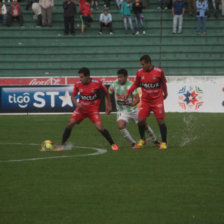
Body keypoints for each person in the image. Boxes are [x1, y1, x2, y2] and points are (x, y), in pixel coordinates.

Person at [56, 67, 119, 151]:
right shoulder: (78, 84)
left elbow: (106, 92)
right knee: (70, 123)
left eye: (82, 77)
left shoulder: (97, 83)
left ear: (88, 76)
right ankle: (63, 145)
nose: (80, 79)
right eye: (80, 77)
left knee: (100, 127)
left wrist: (109, 105)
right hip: (81, 109)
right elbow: (73, 96)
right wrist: (77, 104)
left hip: (93, 110)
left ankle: (113, 144)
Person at [124, 55, 168, 150]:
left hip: (157, 100)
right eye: (141, 64)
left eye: (143, 64)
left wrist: (166, 93)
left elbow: (163, 83)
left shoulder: (159, 71)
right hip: (146, 101)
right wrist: (128, 93)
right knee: (140, 120)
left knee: (160, 120)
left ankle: (164, 142)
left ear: (149, 63)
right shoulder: (140, 72)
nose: (142, 66)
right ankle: (142, 139)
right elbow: (136, 84)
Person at [109, 68, 160, 148]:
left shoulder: (131, 85)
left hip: (133, 110)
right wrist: (109, 105)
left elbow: (137, 98)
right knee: (120, 126)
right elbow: (107, 93)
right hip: (122, 111)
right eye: (118, 77)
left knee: (144, 125)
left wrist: (133, 103)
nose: (119, 79)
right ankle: (133, 143)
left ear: (126, 77)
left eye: (121, 77)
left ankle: (155, 141)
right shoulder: (114, 84)